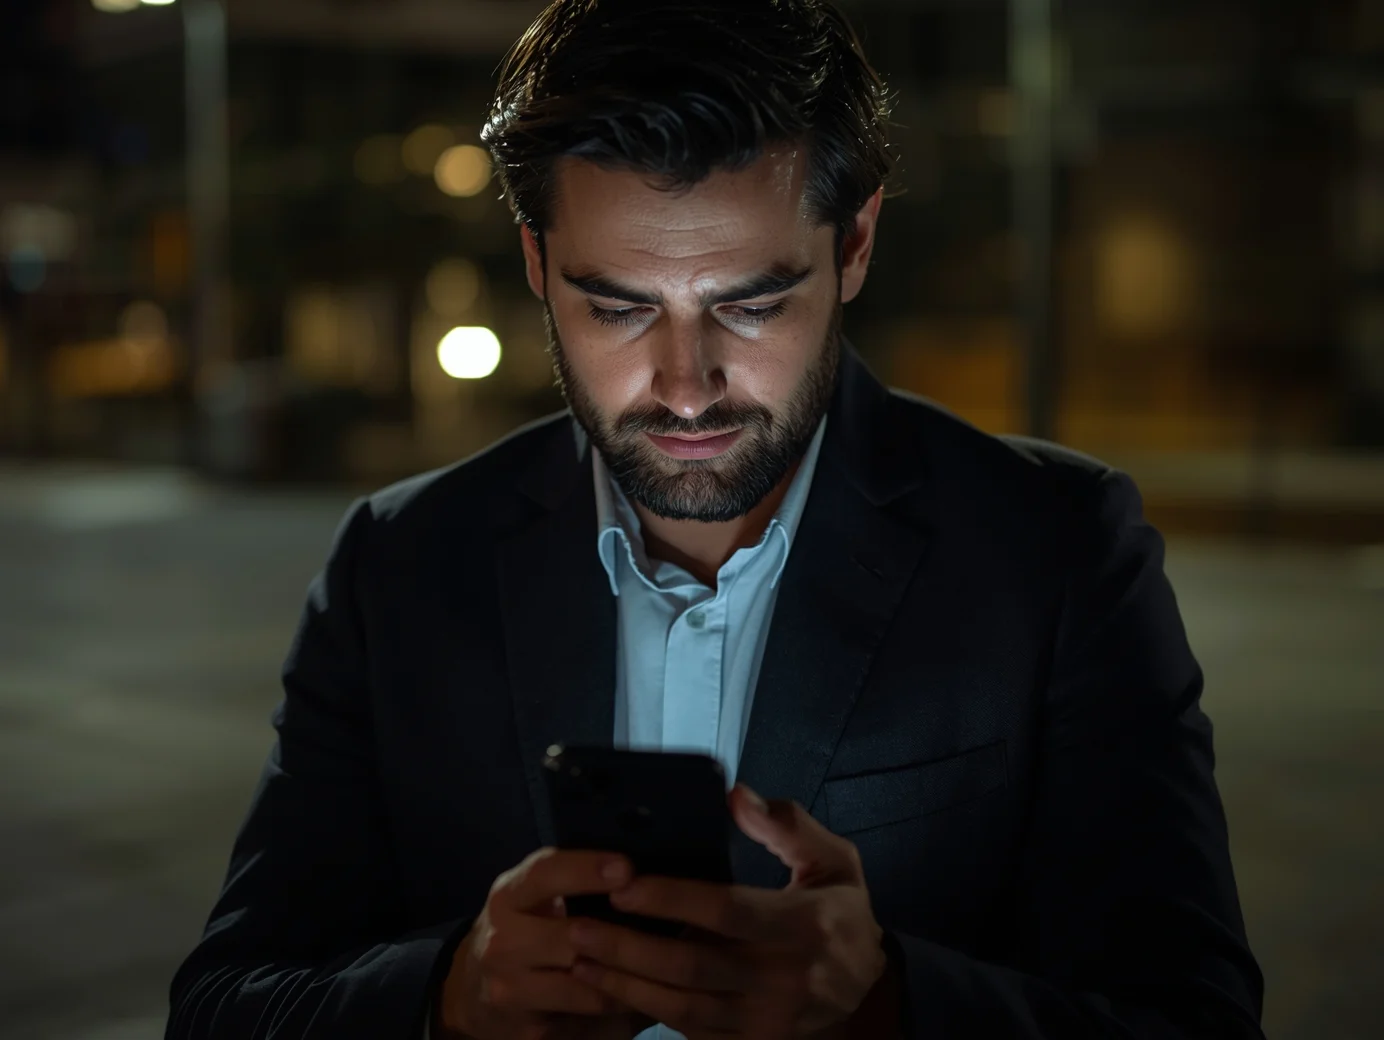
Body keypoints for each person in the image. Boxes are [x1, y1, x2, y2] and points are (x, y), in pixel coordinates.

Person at [165, 1, 1265, 1038]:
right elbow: (224, 1004)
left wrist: (888, 1004)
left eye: (749, 303)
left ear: (857, 243)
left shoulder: (1057, 550)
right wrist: (445, 998)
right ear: (536, 263)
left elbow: (1194, 1016)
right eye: (618, 306)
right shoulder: (398, 564)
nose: (685, 386)